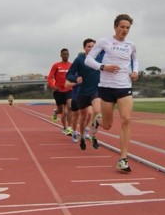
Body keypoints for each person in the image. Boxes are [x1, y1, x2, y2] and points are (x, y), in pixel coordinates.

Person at [85, 14, 138, 172]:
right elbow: (89, 59)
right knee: (107, 125)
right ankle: (97, 121)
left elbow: (135, 60)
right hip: (106, 87)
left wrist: (135, 71)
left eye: (127, 28)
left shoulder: (131, 45)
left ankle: (123, 158)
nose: (125, 30)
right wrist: (103, 67)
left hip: (124, 87)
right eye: (122, 27)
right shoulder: (104, 41)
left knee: (126, 119)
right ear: (115, 27)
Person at [65, 38, 102, 151]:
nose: (91, 49)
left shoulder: (100, 57)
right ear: (84, 48)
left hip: (96, 91)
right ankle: (81, 136)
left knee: (97, 113)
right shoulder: (79, 59)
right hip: (83, 93)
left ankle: (94, 136)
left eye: (93, 47)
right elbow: (69, 74)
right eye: (88, 46)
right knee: (84, 116)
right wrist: (76, 79)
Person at [47, 48, 73, 135]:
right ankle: (56, 112)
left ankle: (69, 128)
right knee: (61, 111)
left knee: (69, 106)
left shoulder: (72, 65)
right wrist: (53, 86)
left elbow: (75, 76)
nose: (66, 55)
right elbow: (50, 77)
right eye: (64, 54)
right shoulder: (56, 65)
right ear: (61, 55)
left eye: (67, 54)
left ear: (69, 55)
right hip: (58, 91)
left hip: (69, 90)